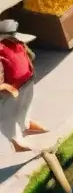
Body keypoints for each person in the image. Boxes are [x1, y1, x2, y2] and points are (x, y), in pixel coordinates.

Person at [0, 20, 46, 153]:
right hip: (8, 91)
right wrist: (4, 87)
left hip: (26, 82)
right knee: (7, 115)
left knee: (25, 106)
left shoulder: (18, 43)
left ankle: (26, 126)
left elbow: (31, 55)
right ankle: (16, 142)